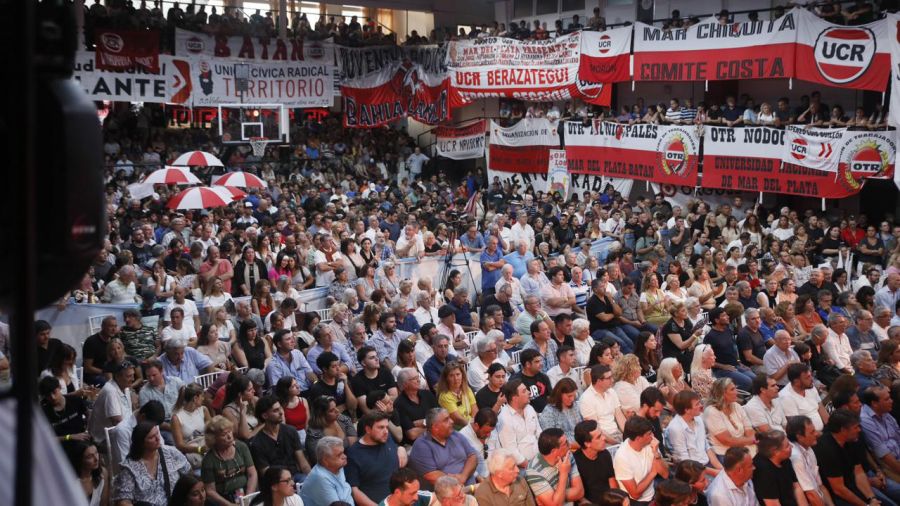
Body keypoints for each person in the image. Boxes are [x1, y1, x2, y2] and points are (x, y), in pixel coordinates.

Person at [814, 409, 884, 506]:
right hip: (835, 496)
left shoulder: (852, 440)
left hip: (852, 486)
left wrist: (872, 498)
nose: (859, 430)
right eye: (855, 427)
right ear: (843, 430)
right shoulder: (826, 449)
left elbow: (858, 472)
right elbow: (838, 489)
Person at [112, 422, 192, 506]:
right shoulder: (129, 468)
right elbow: (123, 501)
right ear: (142, 443)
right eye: (151, 437)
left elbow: (189, 474)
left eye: (157, 433)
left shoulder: (171, 452)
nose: (157, 438)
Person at [345, 411, 407, 506]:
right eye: (381, 427)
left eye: (386, 427)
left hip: (401, 498)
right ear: (368, 429)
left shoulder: (386, 438)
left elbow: (396, 449)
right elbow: (354, 491)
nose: (386, 431)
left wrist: (401, 449)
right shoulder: (354, 454)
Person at [408, 407, 477, 490]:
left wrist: (463, 476)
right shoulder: (422, 446)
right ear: (435, 427)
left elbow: (472, 456)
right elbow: (431, 476)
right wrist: (456, 481)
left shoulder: (454, 434)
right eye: (446, 420)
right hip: (446, 493)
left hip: (471, 487)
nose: (452, 421)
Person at [249, 396, 311, 482]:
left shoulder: (291, 431)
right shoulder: (257, 443)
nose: (281, 412)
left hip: (295, 476)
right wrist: (287, 481)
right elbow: (265, 472)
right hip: (276, 482)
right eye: (275, 410)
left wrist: (312, 480)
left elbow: (303, 463)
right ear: (265, 415)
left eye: (280, 408)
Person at [200, 416, 258, 505]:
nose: (229, 436)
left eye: (230, 431)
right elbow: (210, 491)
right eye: (224, 434)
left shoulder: (241, 447)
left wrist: (248, 497)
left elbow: (252, 474)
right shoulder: (208, 460)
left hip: (246, 492)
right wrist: (229, 505)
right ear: (214, 439)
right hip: (224, 499)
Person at [613, 416, 669, 505]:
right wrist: (653, 473)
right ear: (639, 438)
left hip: (653, 492)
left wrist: (656, 454)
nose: (653, 436)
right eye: (649, 434)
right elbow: (635, 494)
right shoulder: (622, 457)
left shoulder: (652, 444)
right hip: (634, 502)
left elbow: (665, 474)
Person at [665, 390, 721, 475]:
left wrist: (721, 468)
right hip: (693, 472)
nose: (701, 406)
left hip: (707, 465)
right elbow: (685, 462)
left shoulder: (698, 418)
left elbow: (706, 446)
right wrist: (715, 473)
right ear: (687, 410)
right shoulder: (675, 429)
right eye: (697, 404)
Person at [525, 428, 585, 506]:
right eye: (565, 444)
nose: (570, 445)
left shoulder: (567, 455)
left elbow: (580, 492)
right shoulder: (533, 471)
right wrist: (563, 474)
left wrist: (556, 497)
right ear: (554, 451)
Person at [787, 415, 836, 506]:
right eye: (812, 432)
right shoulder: (796, 457)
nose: (816, 434)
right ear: (800, 437)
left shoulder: (809, 448)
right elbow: (810, 494)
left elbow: (820, 486)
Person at [703, 378, 757, 459]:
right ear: (722, 393)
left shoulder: (736, 406)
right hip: (726, 453)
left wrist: (751, 440)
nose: (736, 392)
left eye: (735, 388)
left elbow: (749, 430)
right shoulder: (711, 412)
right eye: (732, 389)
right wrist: (752, 440)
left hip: (744, 447)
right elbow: (727, 441)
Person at [703, 307, 755, 390]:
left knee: (755, 378)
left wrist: (739, 362)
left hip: (735, 365)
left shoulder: (728, 330)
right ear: (716, 320)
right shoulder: (710, 337)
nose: (727, 317)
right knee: (748, 382)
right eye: (724, 315)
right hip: (720, 370)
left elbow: (734, 349)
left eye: (727, 314)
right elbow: (706, 360)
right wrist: (723, 366)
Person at [496, 378, 542, 468]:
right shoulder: (504, 418)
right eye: (524, 391)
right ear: (514, 398)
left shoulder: (530, 408)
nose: (529, 392)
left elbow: (539, 433)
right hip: (520, 467)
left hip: (539, 459)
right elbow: (511, 451)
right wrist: (531, 468)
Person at [753, 430, 805, 506]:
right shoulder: (762, 470)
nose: (792, 446)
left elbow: (796, 487)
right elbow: (772, 503)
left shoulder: (785, 459)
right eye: (787, 446)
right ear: (775, 451)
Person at [89, 360, 136, 444]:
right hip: (103, 439)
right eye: (129, 376)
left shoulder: (125, 386)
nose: (133, 379)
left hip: (122, 431)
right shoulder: (110, 391)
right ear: (118, 377)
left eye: (133, 375)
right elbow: (117, 422)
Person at [300, 436, 355, 506]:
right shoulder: (320, 478)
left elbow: (346, 495)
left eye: (343, 452)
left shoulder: (337, 466)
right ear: (325, 460)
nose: (344, 456)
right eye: (339, 455)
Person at [860, 385, 900, 479]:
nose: (891, 401)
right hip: (888, 466)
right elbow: (884, 455)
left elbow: (898, 435)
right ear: (874, 403)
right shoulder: (865, 420)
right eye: (887, 399)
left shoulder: (884, 411)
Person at [573, 420, 617, 504]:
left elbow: (612, 481)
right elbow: (580, 497)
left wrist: (615, 502)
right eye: (599, 437)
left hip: (608, 501)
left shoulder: (605, 454)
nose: (604, 438)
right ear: (587, 443)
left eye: (602, 434)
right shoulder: (575, 462)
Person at [579, 364, 626, 444]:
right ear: (598, 381)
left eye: (612, 377)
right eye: (608, 378)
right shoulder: (586, 398)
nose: (612, 380)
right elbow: (596, 429)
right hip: (602, 439)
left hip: (617, 433)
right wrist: (616, 443)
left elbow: (620, 416)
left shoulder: (611, 391)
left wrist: (628, 435)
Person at [171, 383, 212, 469]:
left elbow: (212, 430)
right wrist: (199, 449)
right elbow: (180, 445)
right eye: (202, 396)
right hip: (190, 449)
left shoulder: (204, 410)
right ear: (195, 398)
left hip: (205, 442)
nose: (203, 399)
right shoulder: (177, 418)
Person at [394, 368, 439, 444]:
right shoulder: (399, 404)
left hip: (437, 438)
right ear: (405, 384)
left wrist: (424, 422)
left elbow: (441, 418)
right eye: (414, 379)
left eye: (418, 377)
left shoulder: (427, 394)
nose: (419, 380)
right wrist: (432, 426)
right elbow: (412, 434)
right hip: (417, 444)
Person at [779, 363, 829, 431]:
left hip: (822, 431)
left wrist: (831, 428)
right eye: (807, 377)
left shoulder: (810, 386)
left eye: (810, 375)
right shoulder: (786, 397)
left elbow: (821, 408)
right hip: (807, 437)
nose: (811, 379)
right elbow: (796, 427)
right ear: (796, 382)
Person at [351, 345, 399, 415]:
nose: (377, 359)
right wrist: (386, 400)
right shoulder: (357, 380)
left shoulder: (386, 373)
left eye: (376, 356)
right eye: (372, 358)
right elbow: (366, 410)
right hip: (372, 418)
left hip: (391, 410)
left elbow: (395, 398)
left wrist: (379, 402)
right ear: (363, 363)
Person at [40, 375, 90, 441]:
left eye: (54, 392)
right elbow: (46, 439)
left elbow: (89, 415)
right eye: (48, 395)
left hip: (82, 438)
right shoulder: (44, 412)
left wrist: (87, 429)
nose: (53, 397)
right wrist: (69, 437)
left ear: (60, 387)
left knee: (92, 449)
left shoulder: (75, 400)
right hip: (62, 443)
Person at [62, 439, 110, 506]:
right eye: (90, 457)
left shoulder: (102, 473)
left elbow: (104, 503)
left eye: (96, 453)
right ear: (80, 460)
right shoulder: (69, 480)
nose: (96, 459)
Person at [458, 408, 499, 481]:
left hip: (495, 476)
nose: (489, 435)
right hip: (475, 480)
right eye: (486, 432)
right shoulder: (462, 436)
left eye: (491, 431)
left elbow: (499, 452)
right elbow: (463, 464)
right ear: (476, 425)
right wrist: (479, 478)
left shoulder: (492, 430)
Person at [538, 378, 583, 442]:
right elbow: (551, 438)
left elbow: (582, 427)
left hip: (580, 442)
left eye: (574, 395)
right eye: (569, 396)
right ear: (559, 394)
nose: (572, 399)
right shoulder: (549, 412)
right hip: (563, 446)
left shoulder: (575, 406)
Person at [436, 361, 477, 430]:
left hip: (471, 424)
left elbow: (475, 409)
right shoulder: (445, 396)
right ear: (446, 378)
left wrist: (475, 422)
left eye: (458, 374)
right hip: (456, 429)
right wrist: (472, 427)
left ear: (462, 375)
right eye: (451, 375)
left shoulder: (467, 389)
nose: (456, 379)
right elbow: (457, 419)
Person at [512, 348, 552, 413]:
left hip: (546, 414)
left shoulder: (543, 377)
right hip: (527, 415)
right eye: (537, 362)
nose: (541, 364)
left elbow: (550, 397)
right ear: (528, 364)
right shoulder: (516, 382)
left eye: (540, 361)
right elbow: (517, 404)